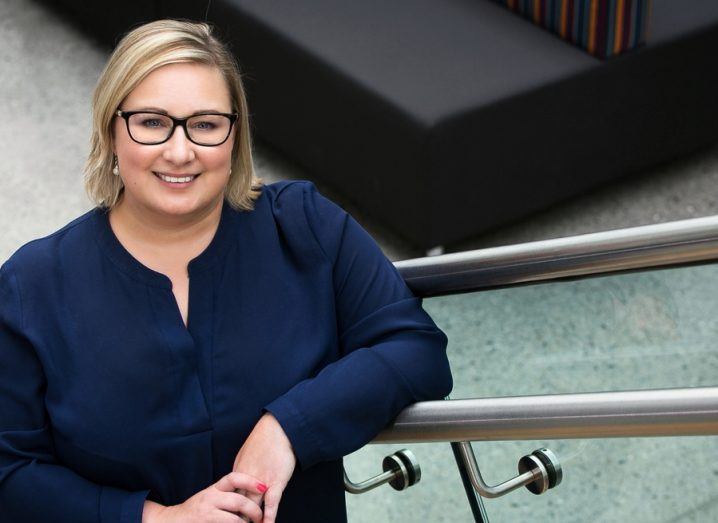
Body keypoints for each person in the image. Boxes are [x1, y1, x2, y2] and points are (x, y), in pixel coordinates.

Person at [0, 19, 453, 523]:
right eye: (151, 122)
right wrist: (156, 520)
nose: (180, 151)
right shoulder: (32, 284)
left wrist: (285, 428)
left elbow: (416, 349)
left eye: (206, 124)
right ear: (111, 130)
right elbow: (9, 470)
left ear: (235, 135)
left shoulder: (303, 226)